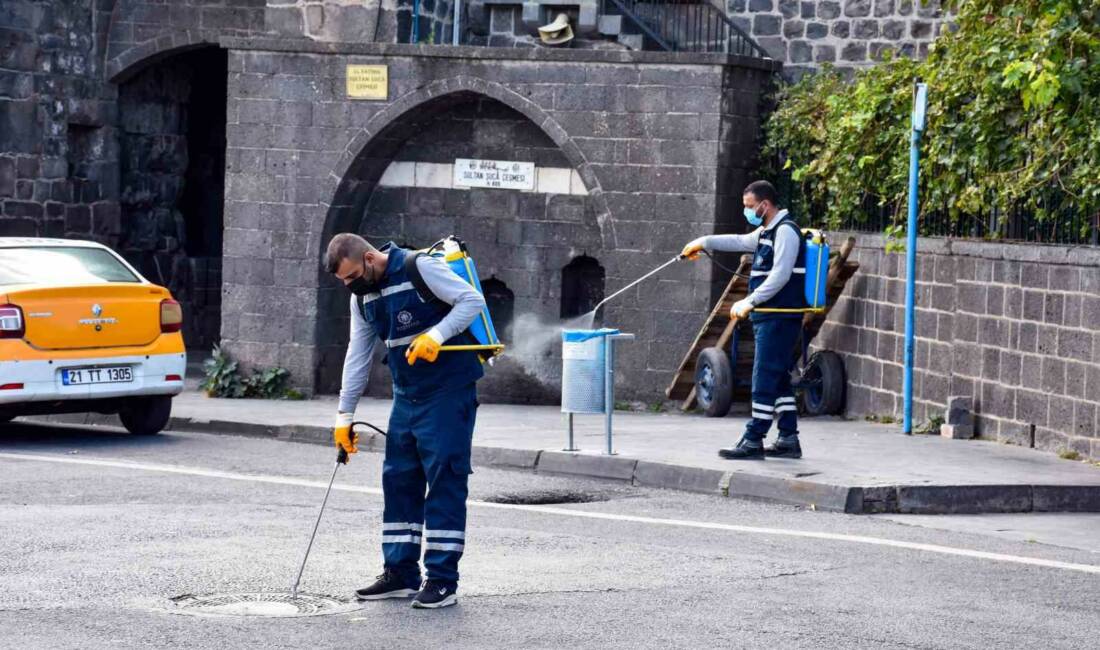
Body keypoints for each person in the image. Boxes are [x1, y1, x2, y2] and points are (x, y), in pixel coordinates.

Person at [324, 233, 486, 609]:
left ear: (368, 258)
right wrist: (344, 417)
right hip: (406, 395)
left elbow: (471, 300)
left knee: (445, 478)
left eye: (351, 276)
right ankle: (400, 573)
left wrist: (437, 334)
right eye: (343, 281)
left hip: (449, 390)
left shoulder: (418, 267)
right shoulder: (361, 298)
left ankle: (443, 581)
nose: (349, 285)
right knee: (398, 479)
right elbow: (358, 354)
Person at [680, 180, 807, 461]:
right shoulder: (766, 231)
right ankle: (788, 438)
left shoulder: (786, 232)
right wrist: (703, 242)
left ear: (765, 204)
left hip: (779, 316)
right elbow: (739, 240)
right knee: (779, 378)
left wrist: (750, 300)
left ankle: (753, 439)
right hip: (768, 316)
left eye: (750, 206)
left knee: (762, 376)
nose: (747, 212)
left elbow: (780, 275)